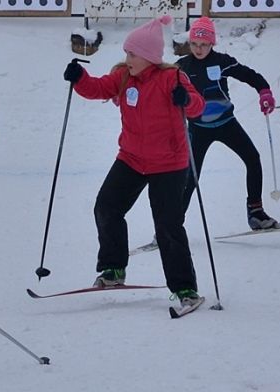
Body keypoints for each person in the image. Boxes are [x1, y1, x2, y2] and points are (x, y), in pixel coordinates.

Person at [62, 15, 205, 307]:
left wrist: (186, 100)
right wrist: (79, 78)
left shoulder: (172, 78)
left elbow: (197, 107)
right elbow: (98, 88)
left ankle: (185, 289)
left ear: (149, 56)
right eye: (127, 52)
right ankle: (113, 269)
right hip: (131, 158)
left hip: (169, 163)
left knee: (168, 226)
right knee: (107, 207)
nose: (127, 59)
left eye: (132, 54)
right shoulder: (124, 77)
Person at [177, 17, 280, 230]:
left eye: (203, 44)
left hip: (227, 123)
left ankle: (256, 213)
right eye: (194, 44)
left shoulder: (222, 61)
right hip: (198, 128)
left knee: (253, 159)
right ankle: (172, 225)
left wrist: (264, 92)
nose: (198, 49)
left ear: (212, 43)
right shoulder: (182, 67)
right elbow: (163, 89)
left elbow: (249, 75)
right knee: (189, 178)